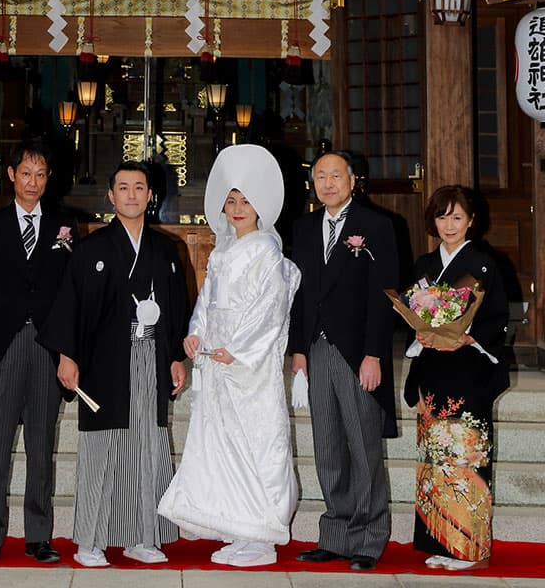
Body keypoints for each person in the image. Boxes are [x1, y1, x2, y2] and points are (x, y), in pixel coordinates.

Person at [38, 161, 190, 568]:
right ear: (111, 196)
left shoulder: (165, 249)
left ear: (150, 195)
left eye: (139, 187)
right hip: (104, 358)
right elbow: (70, 304)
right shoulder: (92, 249)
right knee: (101, 449)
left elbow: (176, 308)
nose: (131, 194)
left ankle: (143, 536)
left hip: (150, 355)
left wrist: (176, 356)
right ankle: (90, 540)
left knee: (147, 448)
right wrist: (67, 356)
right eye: (123, 187)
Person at [158, 144, 301, 567]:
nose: (238, 209)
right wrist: (195, 334)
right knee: (222, 444)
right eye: (232, 200)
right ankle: (240, 529)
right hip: (217, 362)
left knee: (256, 442)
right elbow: (206, 301)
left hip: (246, 367)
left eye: (246, 201)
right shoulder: (221, 251)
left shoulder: (265, 252)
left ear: (261, 206)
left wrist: (235, 350)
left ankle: (263, 534)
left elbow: (270, 309)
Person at [0, 137, 76, 565]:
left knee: (41, 443)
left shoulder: (64, 227)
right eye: (25, 173)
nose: (33, 182)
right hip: (2, 345)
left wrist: (68, 350)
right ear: (11, 175)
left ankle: (38, 537)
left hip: (47, 346)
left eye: (41, 174)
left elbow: (70, 293)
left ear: (49, 179)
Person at [289, 150, 398, 571]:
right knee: (328, 446)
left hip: (357, 352)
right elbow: (299, 296)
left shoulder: (376, 226)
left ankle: (370, 539)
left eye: (336, 175)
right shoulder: (303, 227)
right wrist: (299, 349)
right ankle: (335, 534)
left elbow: (385, 296)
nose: (328, 183)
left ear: (353, 180)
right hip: (316, 349)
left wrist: (374, 354)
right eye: (320, 176)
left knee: (362, 445)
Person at [404, 185, 509, 571]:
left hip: (468, 369)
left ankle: (468, 548)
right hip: (434, 370)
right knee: (434, 459)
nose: (449, 225)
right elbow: (414, 309)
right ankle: (440, 541)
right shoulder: (423, 264)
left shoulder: (485, 264)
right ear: (433, 221)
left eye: (457, 217)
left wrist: (469, 337)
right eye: (442, 216)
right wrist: (420, 333)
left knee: (465, 458)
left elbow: (498, 318)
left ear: (471, 221)